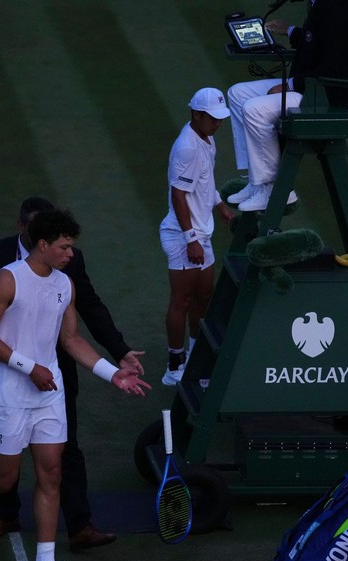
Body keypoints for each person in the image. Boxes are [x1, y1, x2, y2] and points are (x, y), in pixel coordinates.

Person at [0, 208, 150, 561]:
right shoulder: (7, 279)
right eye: (64, 247)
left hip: (49, 394)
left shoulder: (65, 284)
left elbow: (71, 339)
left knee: (51, 473)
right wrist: (28, 366)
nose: (70, 254)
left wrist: (112, 373)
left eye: (71, 247)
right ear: (43, 244)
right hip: (8, 394)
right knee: (3, 479)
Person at [225, 0, 348, 212]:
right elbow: (317, 41)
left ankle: (275, 188)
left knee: (254, 110)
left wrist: (290, 85)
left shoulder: (335, 7)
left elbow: (336, 68)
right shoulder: (321, 3)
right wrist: (289, 30)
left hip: (332, 97)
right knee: (238, 94)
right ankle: (256, 179)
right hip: (315, 88)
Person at [160, 88, 235, 386]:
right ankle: (174, 365)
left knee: (204, 295)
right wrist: (190, 238)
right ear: (196, 114)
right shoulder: (187, 148)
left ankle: (195, 354)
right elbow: (178, 195)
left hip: (201, 233)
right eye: (213, 118)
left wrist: (220, 205)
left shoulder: (207, 138)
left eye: (220, 118)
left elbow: (206, 180)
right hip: (183, 236)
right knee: (182, 300)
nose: (218, 123)